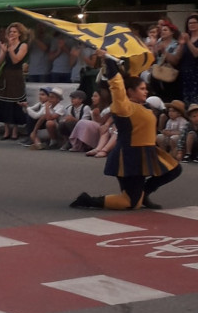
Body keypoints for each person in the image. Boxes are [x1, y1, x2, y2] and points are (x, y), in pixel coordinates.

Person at [70, 56, 182, 210]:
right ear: (129, 91)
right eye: (142, 89)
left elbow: (131, 75)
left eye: (145, 88)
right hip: (130, 156)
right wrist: (108, 59)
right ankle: (89, 200)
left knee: (174, 170)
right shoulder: (124, 106)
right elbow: (116, 85)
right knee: (130, 203)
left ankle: (143, 194)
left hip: (147, 151)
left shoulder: (143, 106)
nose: (146, 91)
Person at [0, 22, 29, 141]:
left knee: (15, 103)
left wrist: (11, 49)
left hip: (16, 76)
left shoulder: (23, 45)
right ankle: (6, 130)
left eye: (14, 32)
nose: (12, 34)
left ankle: (15, 130)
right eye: (10, 32)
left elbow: (16, 60)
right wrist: (3, 50)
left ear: (19, 34)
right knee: (3, 102)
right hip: (5, 76)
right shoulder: (6, 44)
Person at [178, 13, 198, 106]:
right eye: (190, 23)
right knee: (186, 100)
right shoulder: (186, 38)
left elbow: (196, 53)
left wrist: (188, 42)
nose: (192, 25)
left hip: (196, 72)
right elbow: (179, 56)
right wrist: (182, 44)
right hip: (185, 73)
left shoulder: (189, 40)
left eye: (194, 22)